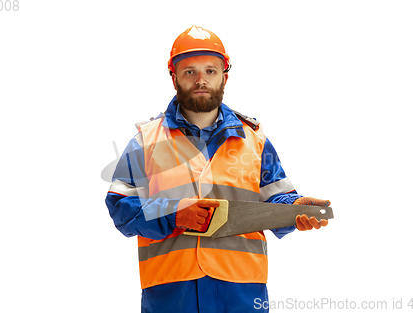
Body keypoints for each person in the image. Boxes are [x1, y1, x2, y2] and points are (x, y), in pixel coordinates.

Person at [105, 25, 331, 313]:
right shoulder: (146, 141)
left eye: (210, 71)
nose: (201, 80)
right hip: (172, 294)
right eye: (190, 71)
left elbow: (276, 201)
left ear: (225, 76)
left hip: (242, 293)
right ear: (174, 77)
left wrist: (296, 208)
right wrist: (174, 214)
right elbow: (120, 208)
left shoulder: (255, 140)